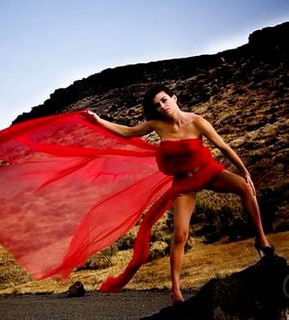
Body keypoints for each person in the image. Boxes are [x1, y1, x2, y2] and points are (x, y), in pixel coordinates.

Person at [86, 84, 274, 304]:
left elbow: (223, 147)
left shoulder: (197, 122)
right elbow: (127, 132)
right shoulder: (157, 125)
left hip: (208, 171)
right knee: (180, 235)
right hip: (184, 183)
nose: (162, 107)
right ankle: (175, 290)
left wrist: (245, 171)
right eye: (157, 105)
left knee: (244, 187)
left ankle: (261, 240)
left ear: (174, 98)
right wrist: (98, 120)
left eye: (164, 100)